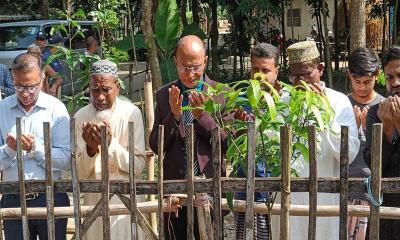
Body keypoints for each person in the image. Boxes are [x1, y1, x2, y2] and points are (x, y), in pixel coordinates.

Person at [271, 41, 360, 240]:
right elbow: (268, 151)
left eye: (307, 74)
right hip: (287, 200)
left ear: (319, 69)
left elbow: (349, 155)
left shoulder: (339, 102)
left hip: (324, 200)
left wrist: (325, 112)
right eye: (295, 76)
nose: (301, 82)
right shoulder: (282, 102)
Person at [149, 35, 228, 239]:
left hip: (209, 189)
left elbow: (225, 142)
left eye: (195, 67)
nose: (190, 74)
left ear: (205, 62)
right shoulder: (164, 94)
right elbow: (156, 145)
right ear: (175, 62)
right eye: (184, 67)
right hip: (175, 191)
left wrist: (202, 117)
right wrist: (173, 116)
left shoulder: (221, 94)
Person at [0, 53, 70, 240]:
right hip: (13, 198)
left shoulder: (56, 109)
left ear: (42, 79)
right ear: (13, 78)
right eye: (18, 86)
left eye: (31, 86)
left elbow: (65, 160)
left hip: (51, 196)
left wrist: (35, 150)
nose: (24, 93)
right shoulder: (2, 109)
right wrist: (9, 149)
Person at [75, 59, 146, 240]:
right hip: (94, 204)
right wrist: (91, 150)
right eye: (95, 90)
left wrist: (110, 145)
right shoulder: (80, 117)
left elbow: (137, 167)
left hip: (126, 204)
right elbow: (79, 174)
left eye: (106, 90)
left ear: (117, 88)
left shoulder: (132, 114)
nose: (99, 97)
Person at [234, 42, 280, 240]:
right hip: (244, 187)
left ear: (276, 72)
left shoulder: (284, 101)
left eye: (265, 70)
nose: (260, 75)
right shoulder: (239, 100)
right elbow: (232, 144)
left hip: (274, 190)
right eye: (255, 69)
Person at [347, 47, 384, 240]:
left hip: (375, 192)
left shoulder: (385, 106)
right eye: (357, 81)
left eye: (367, 82)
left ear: (377, 75)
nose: (361, 87)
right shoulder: (342, 105)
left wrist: (366, 129)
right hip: (345, 191)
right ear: (349, 76)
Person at [364, 45, 400, 240]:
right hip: (385, 211)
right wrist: (386, 129)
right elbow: (374, 167)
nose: (395, 83)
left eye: (399, 75)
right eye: (390, 77)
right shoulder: (376, 112)